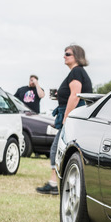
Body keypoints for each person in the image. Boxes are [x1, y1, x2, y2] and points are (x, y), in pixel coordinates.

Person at [36, 45, 93, 195]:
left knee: (57, 148)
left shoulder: (76, 71)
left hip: (72, 118)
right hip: (74, 117)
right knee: (59, 149)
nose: (64, 56)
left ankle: (55, 184)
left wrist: (66, 118)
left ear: (77, 56)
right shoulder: (77, 72)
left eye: (68, 54)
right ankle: (55, 183)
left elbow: (75, 95)